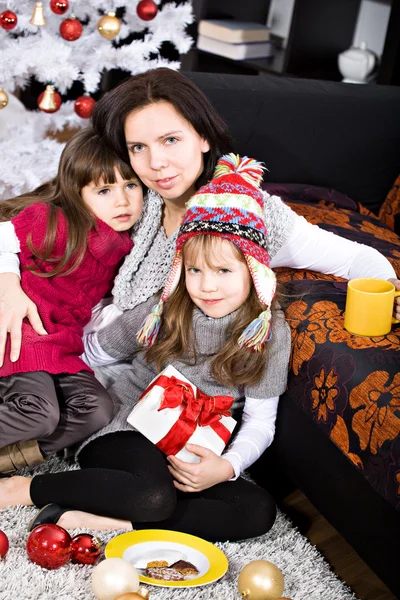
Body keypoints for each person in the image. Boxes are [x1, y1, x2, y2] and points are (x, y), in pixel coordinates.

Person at [0, 67, 398, 374]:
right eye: (139, 147)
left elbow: (359, 260)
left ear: (204, 137)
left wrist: (389, 295)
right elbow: (29, 217)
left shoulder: (246, 214)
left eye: (171, 140)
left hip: (122, 371)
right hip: (63, 337)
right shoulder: (135, 193)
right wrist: (7, 285)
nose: (156, 164)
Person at [0, 154, 290, 543]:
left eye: (224, 271)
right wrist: (55, 379)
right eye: (195, 270)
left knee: (256, 510)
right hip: (128, 426)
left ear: (254, 270)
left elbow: (260, 420)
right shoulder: (165, 306)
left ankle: (112, 523)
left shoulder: (269, 332)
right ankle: (23, 490)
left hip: (192, 446)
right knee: (151, 495)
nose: (207, 286)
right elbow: (98, 350)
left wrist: (228, 467)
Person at [0, 128, 143, 474]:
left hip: (60, 343)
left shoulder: (124, 246)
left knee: (95, 410)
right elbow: (3, 232)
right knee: (38, 409)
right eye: (105, 190)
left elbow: (95, 304)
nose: (122, 201)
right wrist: (9, 284)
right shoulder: (58, 222)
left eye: (131, 186)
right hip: (22, 327)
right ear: (78, 194)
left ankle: (7, 462)